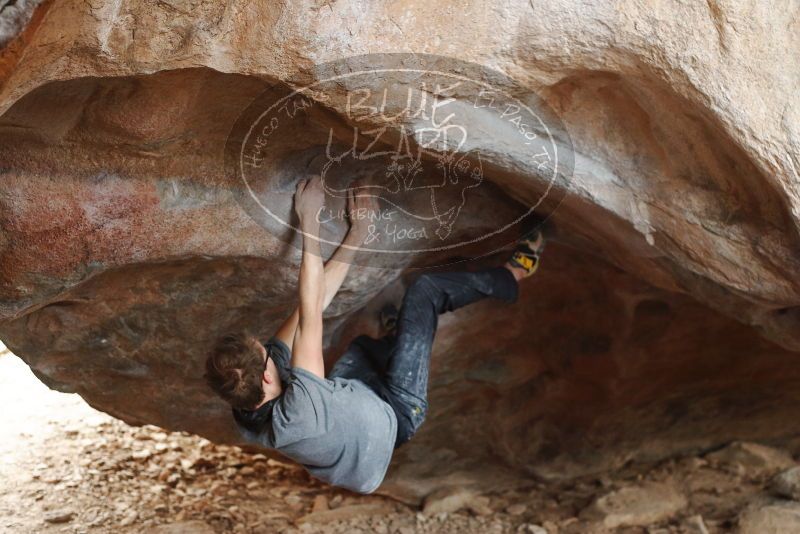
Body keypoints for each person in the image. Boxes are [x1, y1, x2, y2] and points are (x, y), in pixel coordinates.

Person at [204, 175, 546, 494]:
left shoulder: (247, 404)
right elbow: (310, 309)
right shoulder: (299, 410)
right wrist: (309, 217)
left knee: (362, 346)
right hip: (396, 413)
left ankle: (397, 337)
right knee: (424, 292)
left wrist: (359, 232)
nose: (268, 347)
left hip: (356, 406)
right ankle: (515, 272)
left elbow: (316, 303)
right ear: (266, 375)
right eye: (262, 351)